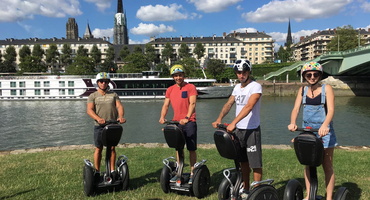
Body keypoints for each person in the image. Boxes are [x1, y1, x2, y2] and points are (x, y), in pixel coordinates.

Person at [212, 59, 262, 198]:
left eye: (244, 72)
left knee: (255, 162)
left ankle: (256, 190)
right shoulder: (237, 87)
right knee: (243, 161)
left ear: (249, 72)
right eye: (239, 72)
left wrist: (233, 122)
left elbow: (249, 106)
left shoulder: (255, 86)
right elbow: (229, 104)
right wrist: (219, 119)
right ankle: (246, 188)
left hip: (251, 130)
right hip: (238, 130)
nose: (241, 75)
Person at [288, 61, 337, 200]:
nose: (312, 77)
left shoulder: (326, 89)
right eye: (309, 74)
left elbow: (331, 110)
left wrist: (325, 125)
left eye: (315, 74)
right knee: (308, 164)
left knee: (327, 165)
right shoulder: (302, 90)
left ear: (320, 75)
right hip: (308, 131)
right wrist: (292, 122)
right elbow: (296, 109)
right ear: (304, 76)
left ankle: (329, 197)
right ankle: (309, 195)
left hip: (324, 131)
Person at [159, 64, 198, 184]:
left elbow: (192, 103)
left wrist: (187, 117)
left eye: (180, 75)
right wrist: (162, 117)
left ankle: (192, 173)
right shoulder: (170, 89)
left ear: (184, 76)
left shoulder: (190, 87)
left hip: (189, 122)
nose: (178, 78)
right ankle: (179, 172)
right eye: (176, 76)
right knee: (178, 148)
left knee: (191, 148)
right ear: (173, 77)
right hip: (177, 122)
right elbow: (166, 105)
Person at [87, 72, 126, 174]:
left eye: (105, 81)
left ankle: (112, 170)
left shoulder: (113, 94)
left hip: (112, 125)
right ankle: (97, 171)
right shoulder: (93, 96)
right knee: (98, 148)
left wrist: (121, 117)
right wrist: (98, 118)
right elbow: (89, 110)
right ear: (98, 83)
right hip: (99, 126)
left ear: (108, 83)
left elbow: (119, 106)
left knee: (112, 148)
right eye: (101, 81)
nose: (103, 83)